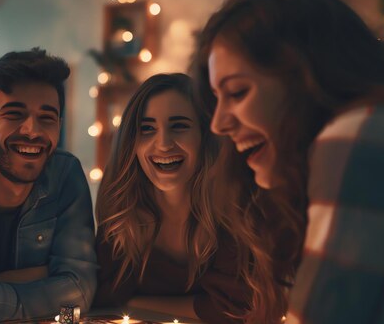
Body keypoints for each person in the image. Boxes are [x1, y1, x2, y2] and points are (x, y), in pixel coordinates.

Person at [195, 0, 384, 324]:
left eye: (238, 92)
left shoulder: (362, 136)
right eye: (216, 99)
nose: (218, 124)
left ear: (304, 74)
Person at [0, 48, 97, 322]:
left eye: (46, 118)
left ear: (58, 125)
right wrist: (47, 276)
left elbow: (81, 292)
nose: (32, 131)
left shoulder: (66, 173)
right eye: (14, 114)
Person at [93, 73, 265, 323]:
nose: (163, 144)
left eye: (179, 126)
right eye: (147, 129)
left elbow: (234, 309)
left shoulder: (235, 209)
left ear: (205, 137)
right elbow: (102, 300)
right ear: (132, 142)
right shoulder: (122, 213)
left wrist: (132, 304)